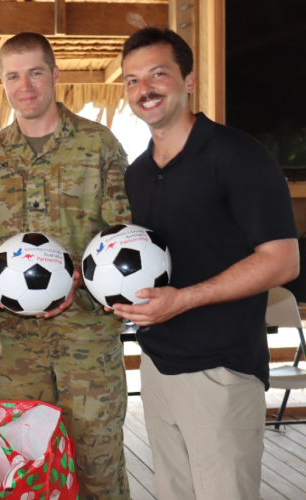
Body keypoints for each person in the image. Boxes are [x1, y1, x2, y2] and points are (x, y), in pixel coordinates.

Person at [115, 27, 299, 500]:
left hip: (223, 371)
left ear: (189, 80)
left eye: (158, 74)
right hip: (156, 365)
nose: (145, 89)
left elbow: (282, 261)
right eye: (132, 80)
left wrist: (185, 300)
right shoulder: (137, 174)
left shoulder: (238, 156)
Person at [0, 32, 132, 500]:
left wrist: (85, 278)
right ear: (3, 83)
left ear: (55, 76)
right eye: (13, 76)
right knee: (22, 467)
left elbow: (124, 233)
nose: (26, 85)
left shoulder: (98, 146)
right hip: (18, 346)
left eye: (35, 72)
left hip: (88, 339)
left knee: (98, 466)